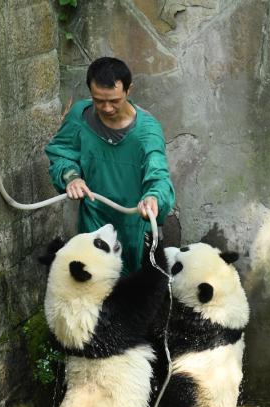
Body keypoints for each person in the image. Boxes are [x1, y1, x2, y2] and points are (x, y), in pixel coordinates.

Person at [45, 57, 175, 275]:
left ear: (128, 90)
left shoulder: (147, 132)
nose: (106, 108)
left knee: (132, 295)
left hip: (135, 226)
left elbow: (159, 177)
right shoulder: (80, 117)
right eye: (98, 100)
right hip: (94, 224)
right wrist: (71, 178)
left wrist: (154, 197)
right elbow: (60, 155)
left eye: (114, 100)